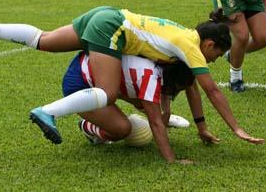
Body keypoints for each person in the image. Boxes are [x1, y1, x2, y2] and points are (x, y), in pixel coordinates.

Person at [0, 6, 265, 145]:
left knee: (44, 39)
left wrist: (200, 127)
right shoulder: (192, 47)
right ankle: (47, 112)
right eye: (215, 55)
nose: (211, 61)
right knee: (107, 91)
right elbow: (211, 91)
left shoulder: (185, 35)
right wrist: (237, 129)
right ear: (210, 44)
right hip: (112, 29)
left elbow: (192, 90)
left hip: (108, 14)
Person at [31, 54, 211, 164]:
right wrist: (172, 159)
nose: (176, 92)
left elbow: (158, 112)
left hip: (89, 68)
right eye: (178, 88)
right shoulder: (151, 78)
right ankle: (88, 127)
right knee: (122, 129)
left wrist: (165, 112)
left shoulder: (160, 66)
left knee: (143, 105)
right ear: (172, 80)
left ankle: (97, 119)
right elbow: (156, 122)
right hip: (80, 82)